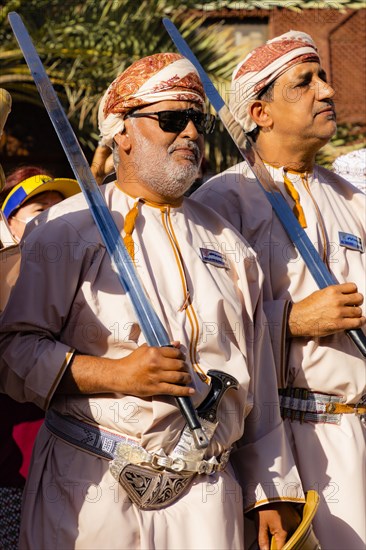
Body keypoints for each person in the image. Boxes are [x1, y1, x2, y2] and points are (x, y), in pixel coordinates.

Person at [0, 53, 306, 550]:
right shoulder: (66, 228)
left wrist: (272, 489)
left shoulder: (232, 246)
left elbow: (260, 384)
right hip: (93, 485)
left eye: (197, 120)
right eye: (170, 119)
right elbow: (13, 354)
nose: (189, 132)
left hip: (209, 498)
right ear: (121, 132)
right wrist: (114, 374)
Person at [192, 31, 366, 549]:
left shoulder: (354, 199)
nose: (327, 91)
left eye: (324, 78)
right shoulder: (217, 205)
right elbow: (201, 331)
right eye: (304, 83)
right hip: (275, 441)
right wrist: (289, 320)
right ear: (260, 112)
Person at [0, 165, 80, 549]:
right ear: (8, 222)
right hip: (11, 457)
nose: (51, 220)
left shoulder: (84, 275)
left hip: (69, 461)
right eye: (38, 211)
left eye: (58, 210)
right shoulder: (6, 274)